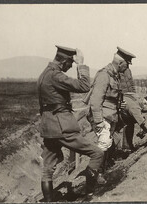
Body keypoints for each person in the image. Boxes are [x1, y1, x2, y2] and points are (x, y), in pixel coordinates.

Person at [37, 45, 105, 202]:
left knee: (47, 169)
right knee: (97, 153)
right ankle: (89, 195)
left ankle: (48, 201)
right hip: (62, 126)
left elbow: (43, 105)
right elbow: (84, 86)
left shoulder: (43, 75)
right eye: (70, 64)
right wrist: (81, 64)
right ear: (65, 61)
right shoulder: (56, 75)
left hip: (48, 127)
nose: (70, 67)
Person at [84, 47, 136, 170]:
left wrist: (119, 105)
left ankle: (103, 169)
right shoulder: (104, 75)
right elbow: (96, 101)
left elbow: (110, 97)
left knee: (108, 143)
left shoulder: (115, 76)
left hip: (110, 114)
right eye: (127, 64)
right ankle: (95, 174)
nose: (127, 68)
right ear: (120, 63)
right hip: (102, 116)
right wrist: (99, 121)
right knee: (104, 144)